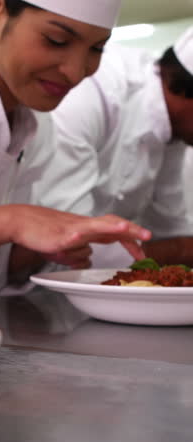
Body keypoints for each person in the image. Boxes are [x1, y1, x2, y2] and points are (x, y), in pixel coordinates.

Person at [0, 0, 152, 309]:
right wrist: (10, 221)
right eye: (56, 40)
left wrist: (38, 252)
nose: (76, 72)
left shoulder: (38, 128)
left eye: (97, 49)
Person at [35, 26, 193, 268]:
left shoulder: (175, 127)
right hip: (14, 282)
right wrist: (181, 251)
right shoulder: (91, 93)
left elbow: (169, 227)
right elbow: (69, 242)